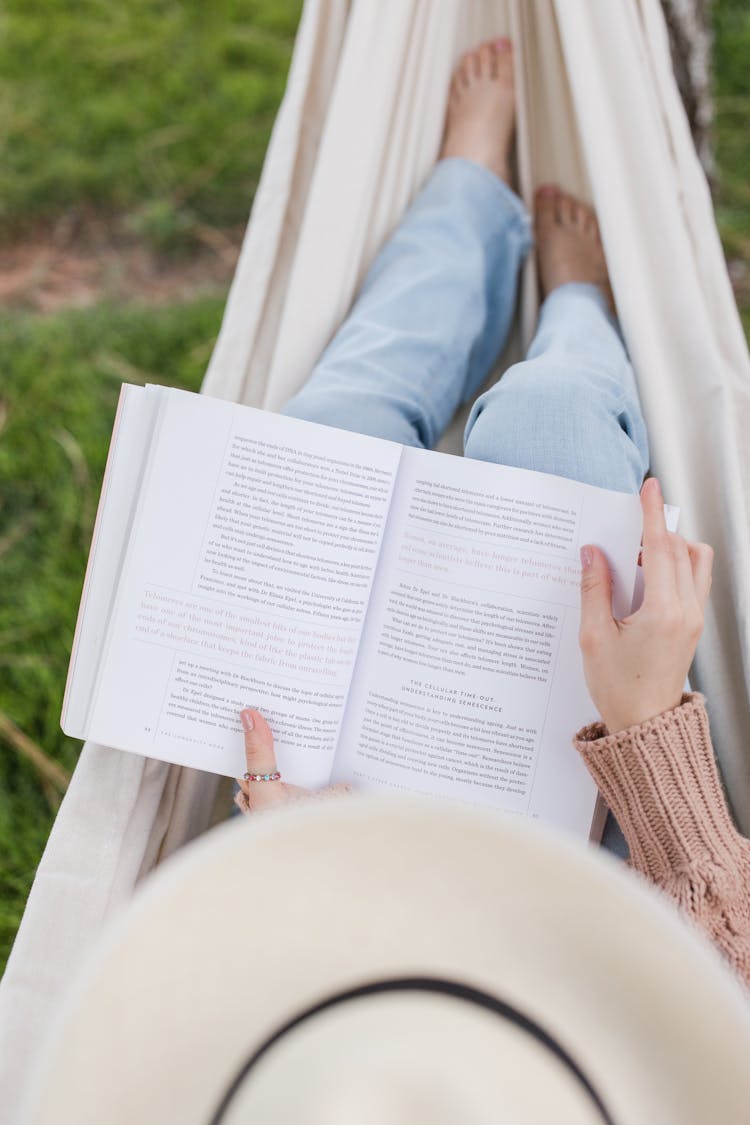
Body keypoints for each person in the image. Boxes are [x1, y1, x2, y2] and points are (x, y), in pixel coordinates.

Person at [236, 39, 750, 986]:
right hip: (641, 884)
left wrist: (331, 882)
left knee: (324, 438)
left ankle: (468, 202)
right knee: (551, 410)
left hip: (407, 921)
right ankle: (575, 302)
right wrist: (645, 717)